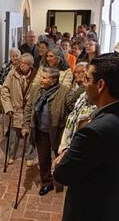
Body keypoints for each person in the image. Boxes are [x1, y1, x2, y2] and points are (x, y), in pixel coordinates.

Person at [53, 54, 119, 220]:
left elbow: (62, 175)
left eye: (87, 79)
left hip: (90, 211)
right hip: (115, 207)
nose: (84, 84)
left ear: (100, 85)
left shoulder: (93, 131)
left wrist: (60, 161)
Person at [22, 67, 75, 196]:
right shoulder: (36, 90)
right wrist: (25, 125)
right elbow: (29, 108)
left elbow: (73, 111)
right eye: (42, 76)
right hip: (40, 131)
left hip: (59, 131)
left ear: (53, 81)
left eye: (44, 78)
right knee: (43, 159)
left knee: (60, 158)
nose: (41, 79)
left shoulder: (65, 92)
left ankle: (61, 180)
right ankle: (47, 183)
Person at [0, 53, 36, 166]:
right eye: (20, 62)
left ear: (30, 65)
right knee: (13, 135)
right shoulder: (13, 73)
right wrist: (8, 107)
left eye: (24, 63)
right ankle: (11, 155)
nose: (21, 65)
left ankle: (29, 156)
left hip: (30, 111)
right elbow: (4, 90)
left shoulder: (36, 76)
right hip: (15, 110)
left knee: (30, 135)